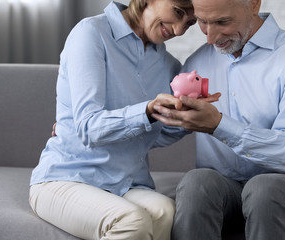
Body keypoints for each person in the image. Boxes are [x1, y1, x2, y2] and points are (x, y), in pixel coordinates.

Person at [151, 0, 285, 239]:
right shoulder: (197, 63)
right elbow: (163, 134)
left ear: (254, 5)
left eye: (222, 22)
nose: (210, 37)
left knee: (263, 190)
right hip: (226, 189)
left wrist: (219, 126)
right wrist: (158, 112)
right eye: (203, 22)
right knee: (196, 182)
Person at [28, 1, 208, 240]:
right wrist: (145, 111)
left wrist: (188, 120)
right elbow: (88, 128)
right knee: (132, 221)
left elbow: (153, 136)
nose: (178, 30)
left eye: (190, 23)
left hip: (126, 184)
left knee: (166, 211)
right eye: (178, 12)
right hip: (67, 177)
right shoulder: (91, 34)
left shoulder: (168, 66)